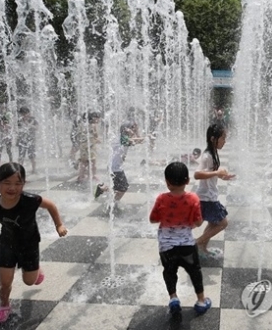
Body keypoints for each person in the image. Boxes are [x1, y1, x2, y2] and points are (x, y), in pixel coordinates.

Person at [0, 162, 68, 325]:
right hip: (7, 244)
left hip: (29, 245)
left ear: (24, 184)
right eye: (7, 183)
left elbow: (50, 205)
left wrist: (59, 224)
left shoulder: (30, 200)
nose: (12, 188)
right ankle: (4, 305)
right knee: (4, 283)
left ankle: (36, 269)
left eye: (18, 183)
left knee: (29, 281)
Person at [149, 161, 212, 315]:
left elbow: (153, 219)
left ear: (167, 182)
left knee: (169, 272)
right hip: (187, 246)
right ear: (187, 181)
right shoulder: (193, 199)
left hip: (166, 246)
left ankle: (174, 298)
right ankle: (201, 301)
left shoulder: (161, 199)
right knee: (194, 272)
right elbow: (197, 222)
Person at [194, 124, 235, 259]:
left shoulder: (213, 153)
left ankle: (202, 248)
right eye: (223, 138)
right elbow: (197, 174)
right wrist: (217, 172)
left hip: (209, 195)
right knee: (223, 223)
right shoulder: (207, 156)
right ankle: (195, 243)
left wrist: (222, 176)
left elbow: (210, 173)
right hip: (206, 197)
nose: (225, 141)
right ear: (213, 139)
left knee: (213, 223)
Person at [94, 122, 145, 212]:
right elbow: (139, 140)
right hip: (115, 168)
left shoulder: (122, 137)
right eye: (132, 128)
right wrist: (142, 136)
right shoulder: (122, 138)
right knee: (123, 187)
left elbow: (136, 141)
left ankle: (103, 189)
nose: (133, 130)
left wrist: (136, 132)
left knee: (119, 187)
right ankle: (112, 204)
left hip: (114, 167)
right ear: (126, 129)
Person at [75, 111, 101, 183]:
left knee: (83, 162)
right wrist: (97, 140)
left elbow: (79, 135)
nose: (98, 120)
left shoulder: (82, 125)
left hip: (83, 146)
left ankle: (81, 176)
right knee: (92, 162)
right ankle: (92, 176)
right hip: (91, 146)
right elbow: (96, 136)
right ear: (92, 118)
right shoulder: (93, 126)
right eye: (97, 118)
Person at [17, 107, 38, 174]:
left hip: (31, 140)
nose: (24, 115)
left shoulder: (33, 120)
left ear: (28, 113)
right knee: (21, 157)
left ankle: (34, 170)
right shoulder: (19, 121)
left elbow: (37, 128)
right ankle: (20, 170)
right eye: (22, 114)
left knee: (32, 156)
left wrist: (28, 125)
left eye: (25, 113)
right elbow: (18, 130)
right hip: (22, 141)